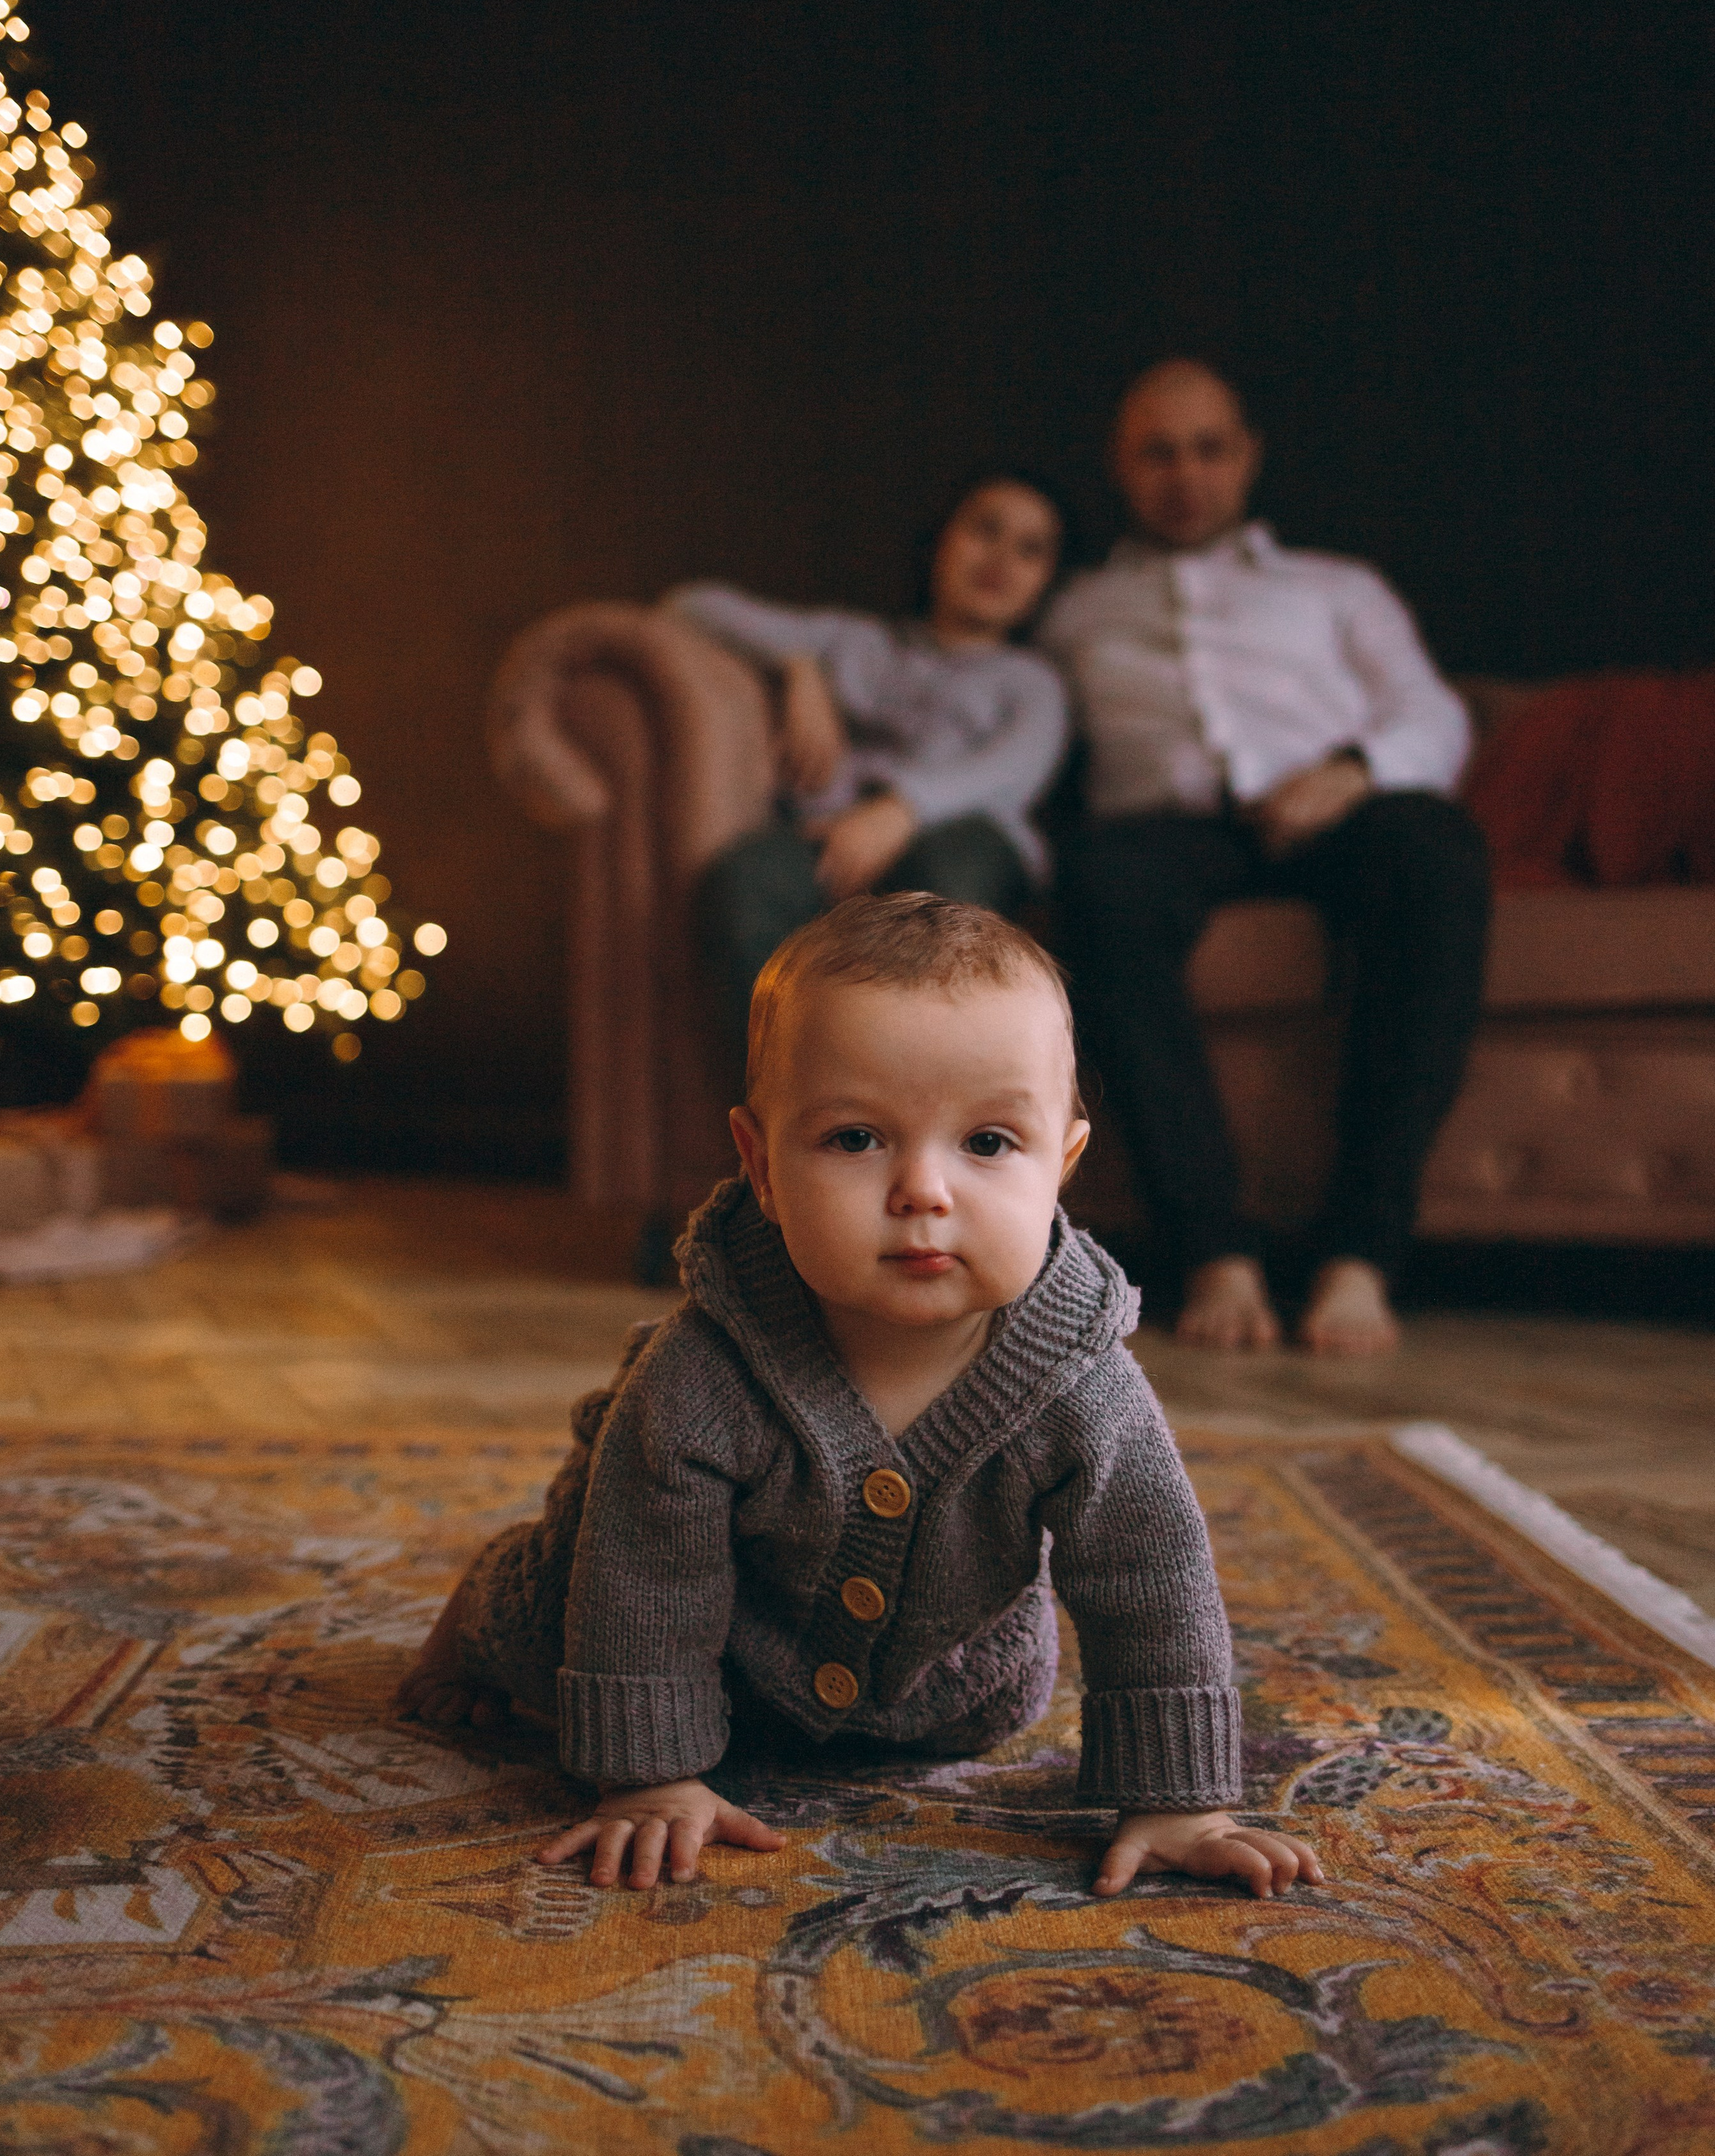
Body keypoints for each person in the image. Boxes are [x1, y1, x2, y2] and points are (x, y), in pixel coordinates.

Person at [398, 892, 1323, 1905]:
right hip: (722, 1666)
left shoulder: (1083, 1380)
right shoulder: (702, 1372)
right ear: (760, 1165)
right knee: (543, 1620)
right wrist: (649, 1777)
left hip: (950, 1688)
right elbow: (643, 1579)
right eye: (854, 1140)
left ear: (1061, 1167)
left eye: (988, 1143)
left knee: (1009, 1688)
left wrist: (1179, 1802)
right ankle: (475, 1607)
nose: (923, 1189)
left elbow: (1152, 1579)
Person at [1042, 360, 1489, 1359]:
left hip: (1338, 811)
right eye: (1158, 453)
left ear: (1246, 457)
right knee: (1096, 885)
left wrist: (1353, 771)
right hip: (1162, 833)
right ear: (1121, 466)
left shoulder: (1337, 587)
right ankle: (1212, 1252)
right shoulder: (1073, 611)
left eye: (1208, 449)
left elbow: (1432, 711)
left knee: (1436, 851)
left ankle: (1363, 1255)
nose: (1185, 475)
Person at [668, 474, 1071, 1080]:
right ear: (940, 542)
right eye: (985, 530)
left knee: (946, 891)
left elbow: (1015, 767)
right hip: (836, 836)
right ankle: (789, 1102)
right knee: (745, 878)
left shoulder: (1033, 681)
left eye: (1029, 550)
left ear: (1046, 582)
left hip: (969, 838)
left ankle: (931, 1102)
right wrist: (799, 666)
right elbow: (691, 606)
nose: (1000, 559)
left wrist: (900, 811)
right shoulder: (854, 642)